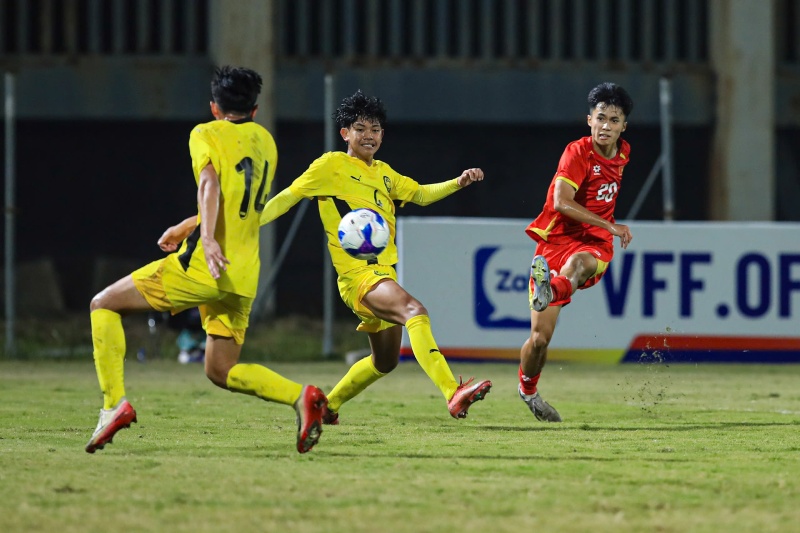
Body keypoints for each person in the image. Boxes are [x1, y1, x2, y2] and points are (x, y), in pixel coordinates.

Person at [86, 66, 328, 455]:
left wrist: (209, 239)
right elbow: (241, 202)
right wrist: (191, 223)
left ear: (214, 107)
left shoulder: (205, 133)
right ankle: (304, 397)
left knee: (103, 304)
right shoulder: (266, 142)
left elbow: (210, 184)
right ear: (256, 108)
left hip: (206, 265)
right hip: (244, 273)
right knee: (220, 369)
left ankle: (113, 404)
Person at [260, 90, 493, 425]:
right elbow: (288, 197)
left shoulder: (383, 173)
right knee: (416, 311)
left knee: (384, 361)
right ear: (345, 134)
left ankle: (327, 406)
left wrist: (458, 182)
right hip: (359, 278)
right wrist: (249, 224)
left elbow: (420, 194)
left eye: (375, 129)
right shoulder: (331, 166)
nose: (368, 135)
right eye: (360, 128)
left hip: (384, 275)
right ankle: (451, 391)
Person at [519, 82, 634, 422]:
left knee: (581, 263)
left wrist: (605, 229)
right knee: (539, 340)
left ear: (623, 126)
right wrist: (612, 223)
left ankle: (550, 288)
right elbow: (560, 202)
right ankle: (528, 390)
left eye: (614, 120)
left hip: (594, 242)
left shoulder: (624, 152)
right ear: (589, 120)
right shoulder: (577, 152)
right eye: (601, 118)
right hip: (555, 241)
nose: (606, 127)